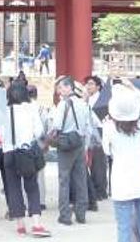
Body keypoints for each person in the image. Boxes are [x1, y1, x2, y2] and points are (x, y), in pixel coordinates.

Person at [102, 83, 140, 242]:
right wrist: (134, 91)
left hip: (122, 183)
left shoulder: (108, 127)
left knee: (123, 229)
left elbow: (107, 151)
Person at [2, 81, 51, 238]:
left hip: (9, 153)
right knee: (32, 187)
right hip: (27, 152)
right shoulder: (31, 109)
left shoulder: (4, 111)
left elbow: (1, 135)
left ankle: (20, 225)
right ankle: (36, 224)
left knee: (14, 188)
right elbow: (38, 132)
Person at [50, 76, 93, 226]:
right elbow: (88, 125)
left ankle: (65, 215)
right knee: (80, 179)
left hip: (66, 142)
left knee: (64, 179)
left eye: (61, 88)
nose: (59, 91)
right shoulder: (83, 103)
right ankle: (81, 214)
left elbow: (56, 125)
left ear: (69, 88)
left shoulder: (63, 104)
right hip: (79, 142)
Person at [84, 75, 108, 206]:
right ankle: (95, 189)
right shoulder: (88, 98)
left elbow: (96, 118)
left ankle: (100, 190)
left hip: (98, 130)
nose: (88, 86)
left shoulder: (101, 100)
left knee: (98, 162)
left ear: (98, 86)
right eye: (87, 84)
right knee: (91, 161)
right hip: (90, 131)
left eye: (91, 84)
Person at [28, 84, 50, 211]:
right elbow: (46, 127)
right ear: (36, 95)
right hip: (40, 144)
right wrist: (46, 143)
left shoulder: (23, 109)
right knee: (40, 173)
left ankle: (28, 199)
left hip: (26, 144)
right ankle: (41, 201)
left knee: (26, 173)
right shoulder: (42, 109)